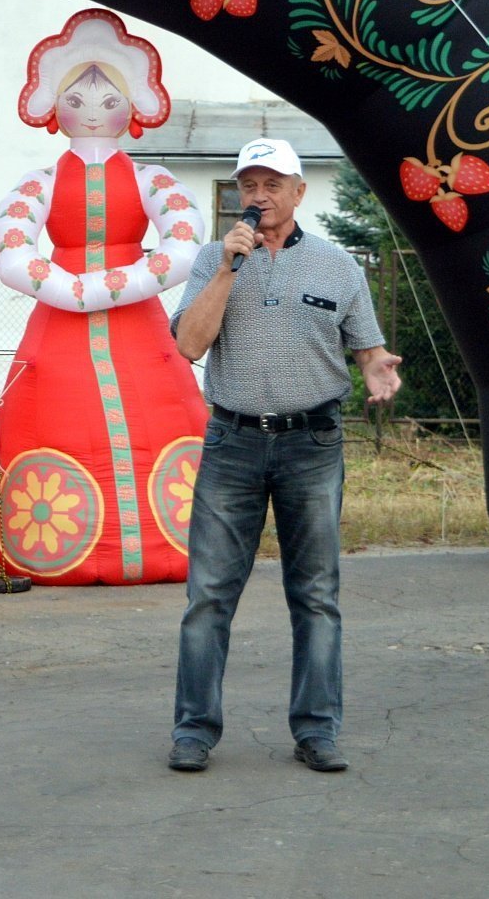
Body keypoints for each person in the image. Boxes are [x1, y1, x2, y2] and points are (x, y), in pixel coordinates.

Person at [167, 137, 402, 774]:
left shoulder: (337, 268)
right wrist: (225, 271)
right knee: (209, 596)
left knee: (317, 595)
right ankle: (193, 731)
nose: (259, 197)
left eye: (273, 185)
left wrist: (378, 368)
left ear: (300, 193)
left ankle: (317, 730)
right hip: (232, 443)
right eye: (249, 185)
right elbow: (189, 345)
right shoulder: (214, 258)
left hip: (312, 446)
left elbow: (368, 351)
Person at [0, 8, 208, 586]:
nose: (93, 111)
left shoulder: (153, 178)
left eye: (110, 101)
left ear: (133, 108)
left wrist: (101, 286)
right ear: (54, 110)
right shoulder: (40, 181)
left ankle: (170, 543)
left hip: (133, 321)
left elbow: (184, 240)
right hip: (62, 322)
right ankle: (57, 548)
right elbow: (9, 247)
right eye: (77, 101)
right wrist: (70, 288)